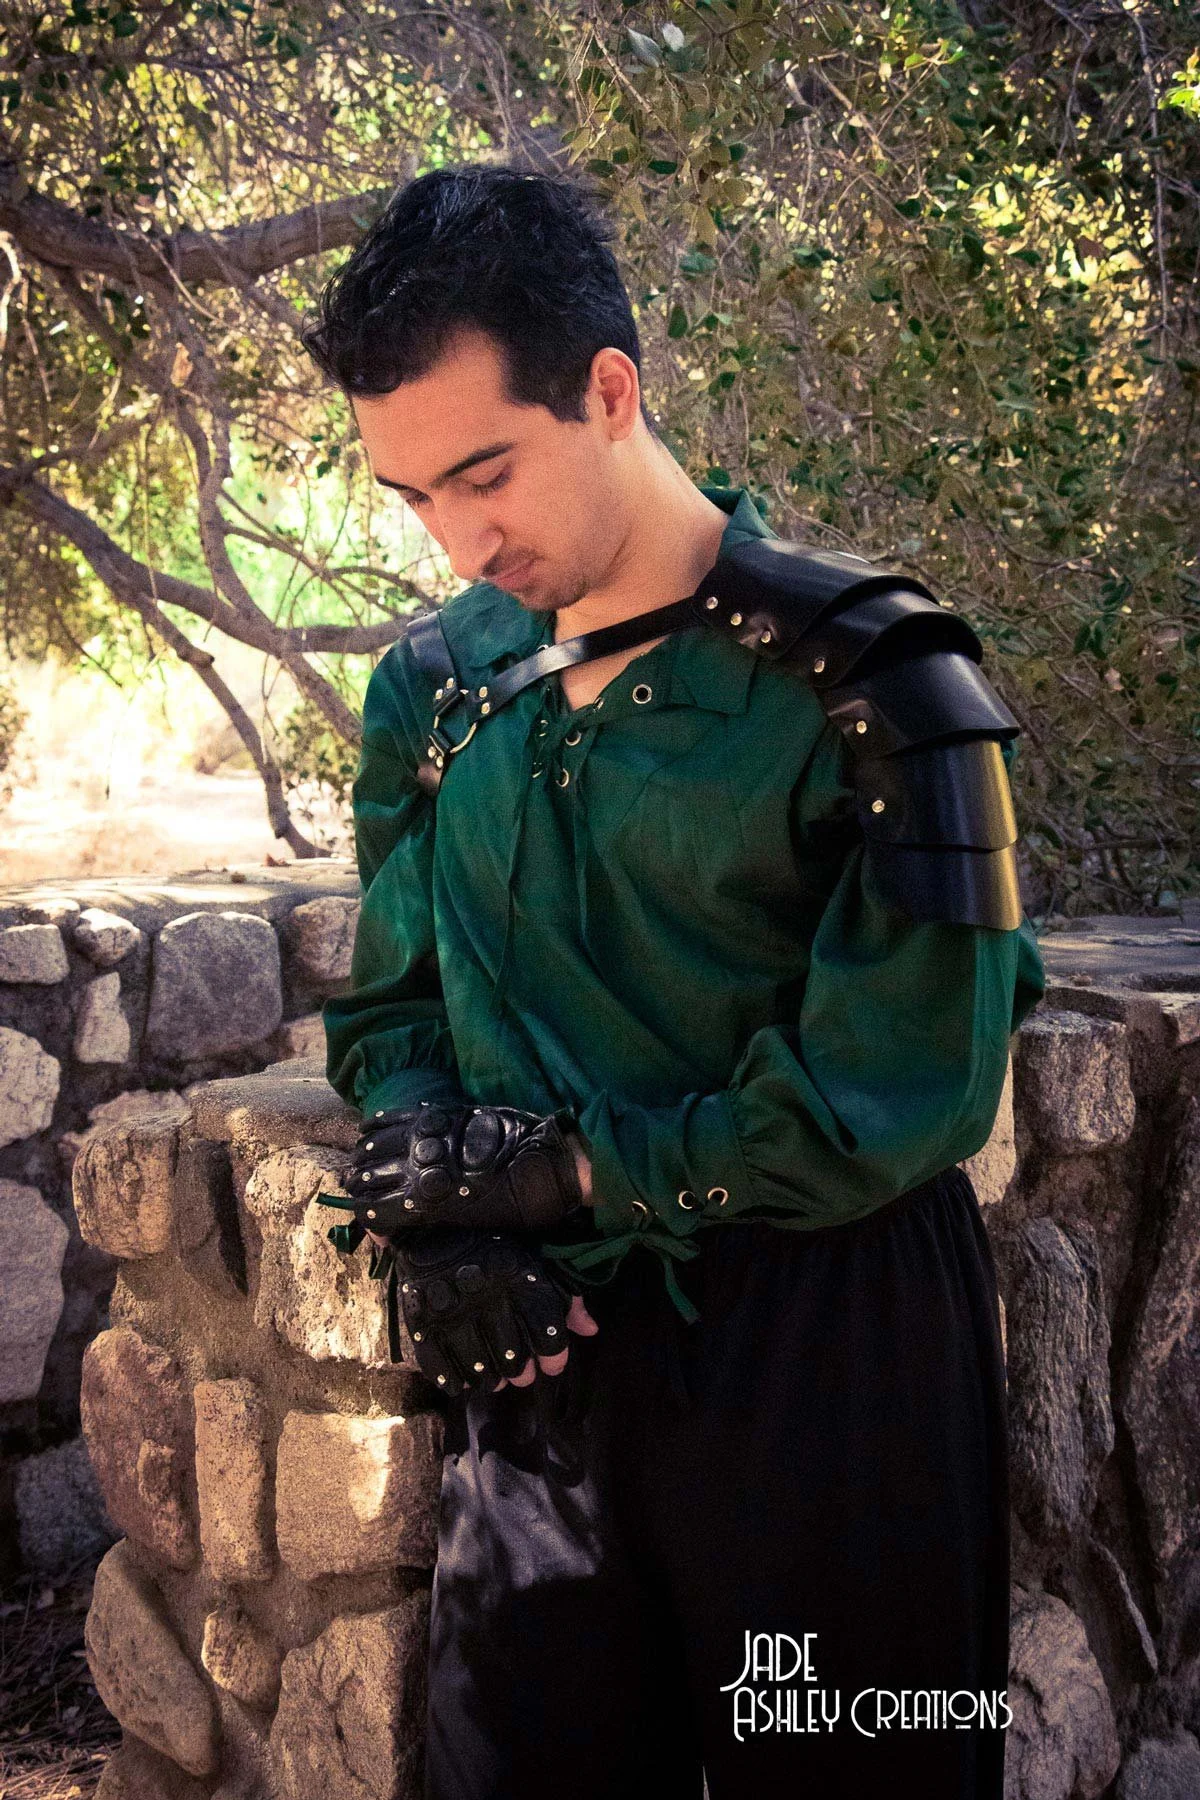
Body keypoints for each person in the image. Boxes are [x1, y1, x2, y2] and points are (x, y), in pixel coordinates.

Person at [301, 161, 1046, 1800]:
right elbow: (395, 1010)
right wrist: (439, 1202)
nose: (458, 536)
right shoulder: (433, 693)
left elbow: (903, 1084)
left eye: (484, 471)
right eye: (413, 494)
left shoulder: (881, 682)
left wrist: (561, 1168)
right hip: (548, 1363)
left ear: (612, 391)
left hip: (829, 1371)